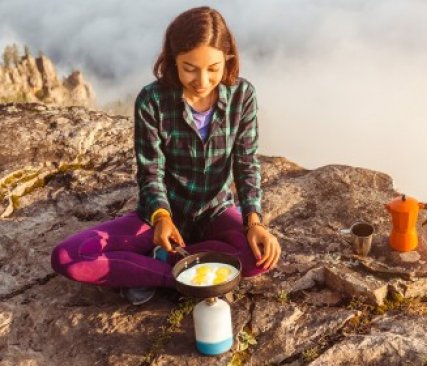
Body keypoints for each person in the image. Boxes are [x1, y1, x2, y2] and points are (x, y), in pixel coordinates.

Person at [50, 6, 281, 305]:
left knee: (263, 257)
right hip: (159, 218)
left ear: (228, 59)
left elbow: (246, 164)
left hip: (215, 212)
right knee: (69, 256)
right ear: (173, 61)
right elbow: (151, 171)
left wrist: (254, 223)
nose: (202, 79)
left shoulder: (242, 95)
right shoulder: (153, 100)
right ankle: (184, 275)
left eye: (213, 68)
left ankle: (148, 268)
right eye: (189, 68)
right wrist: (161, 217)